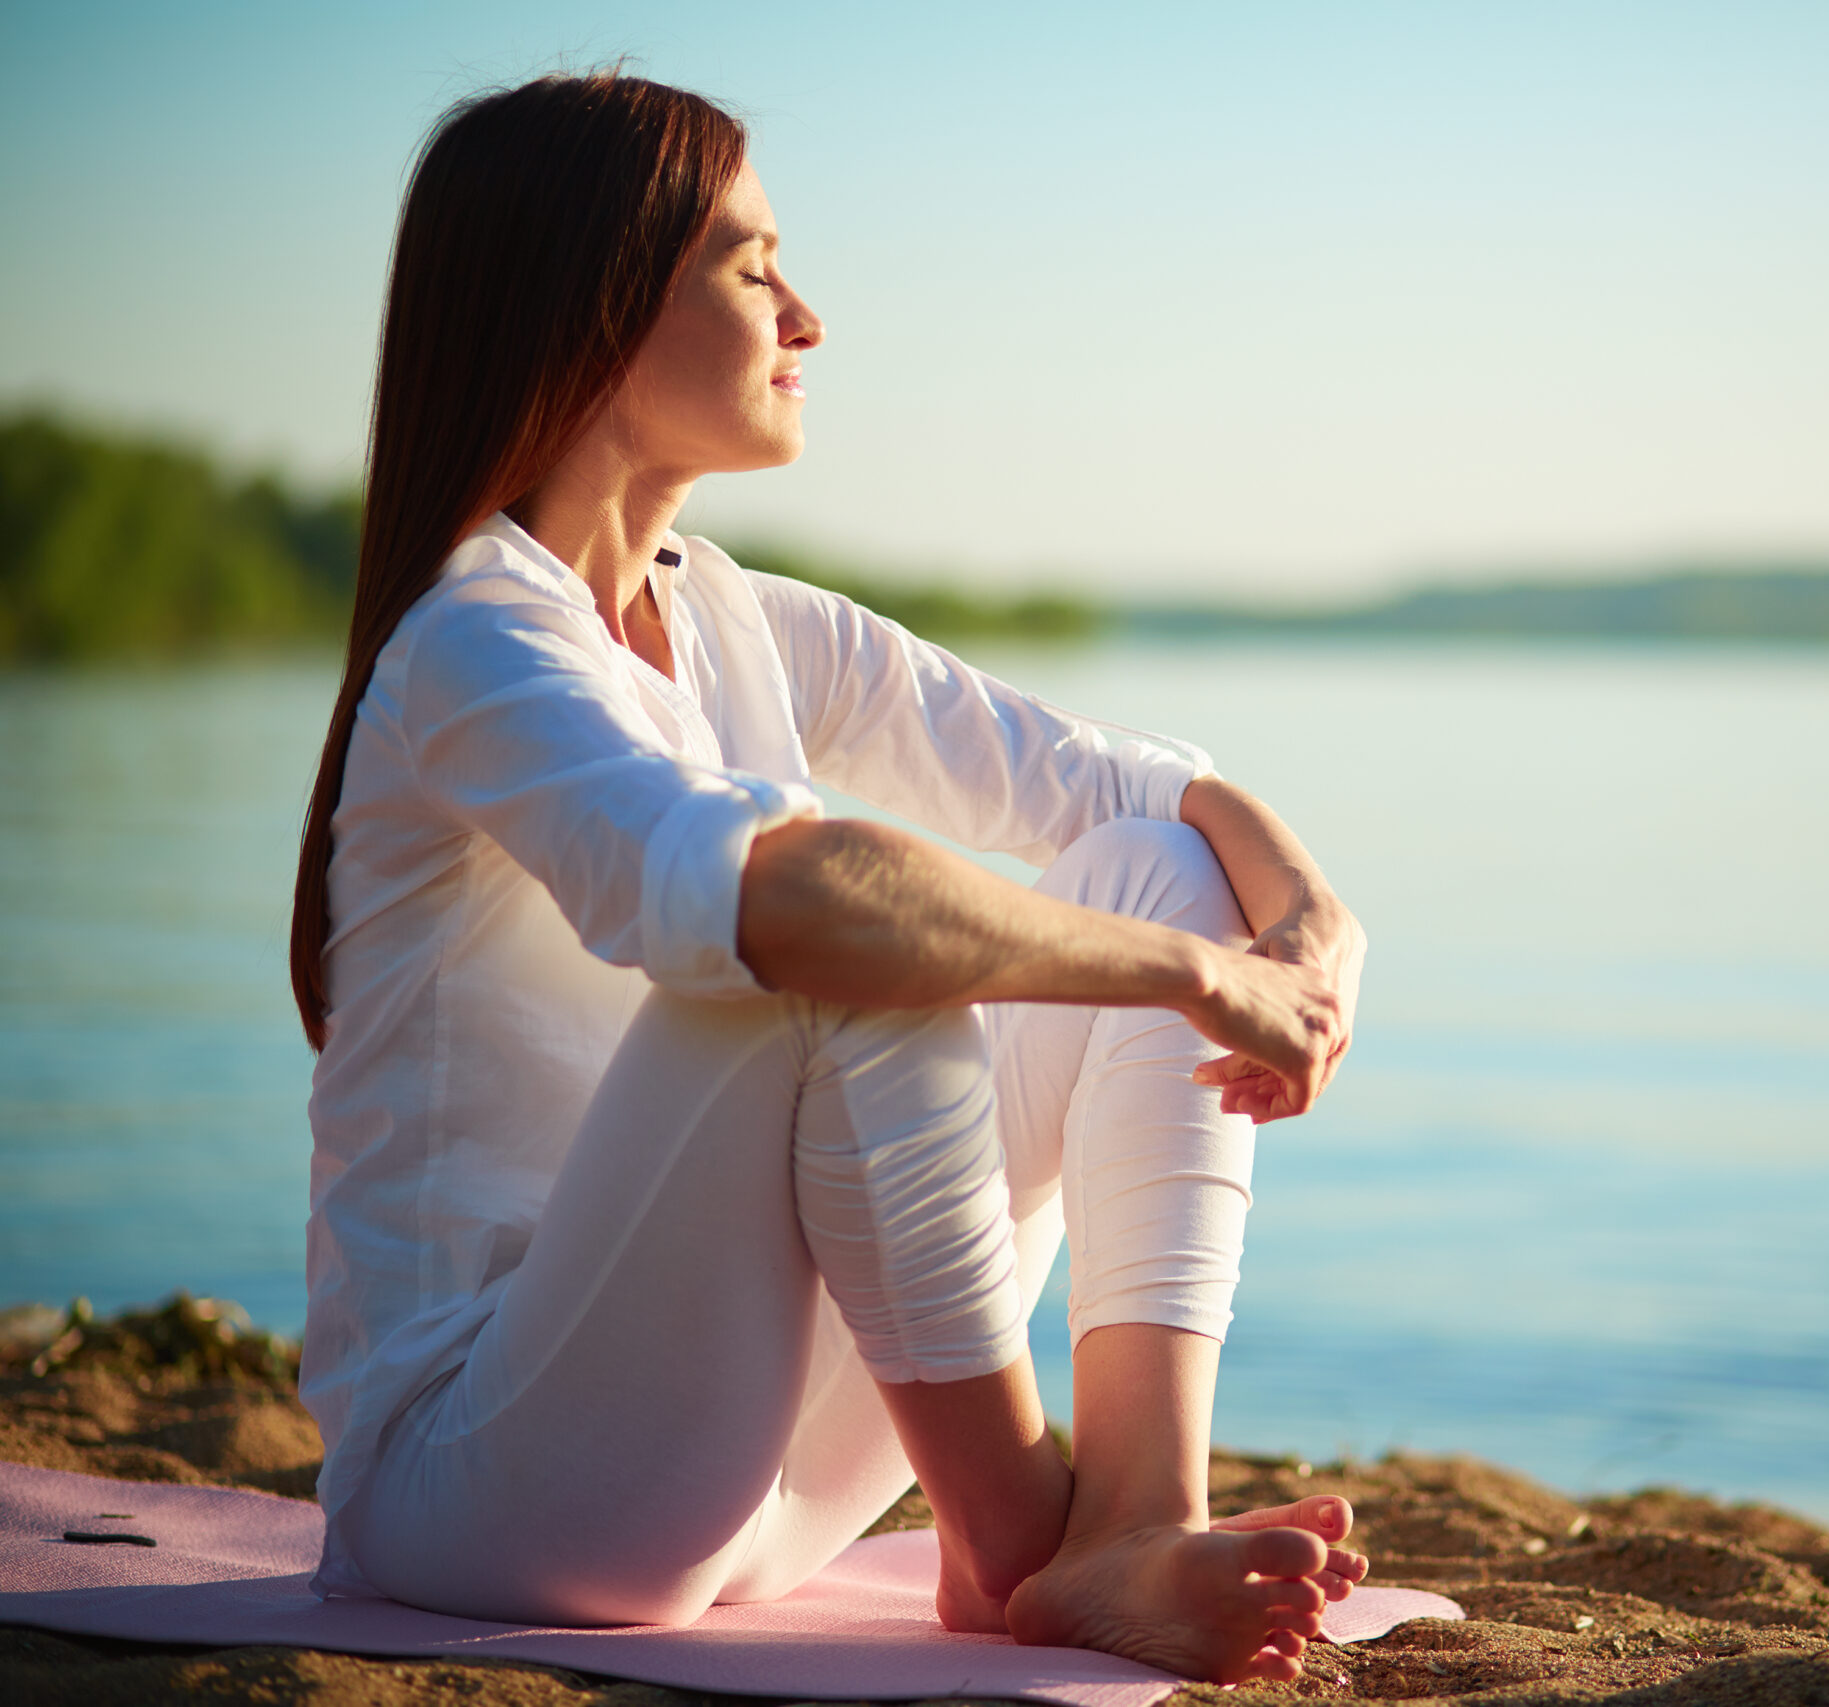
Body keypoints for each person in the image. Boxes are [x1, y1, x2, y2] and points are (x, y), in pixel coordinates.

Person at [286, 73, 1369, 1685]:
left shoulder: (736, 617)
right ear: (590, 310)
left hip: (762, 1483)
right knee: (833, 944)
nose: (806, 314)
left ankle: (1128, 1520)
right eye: (750, 267)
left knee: (1144, 869)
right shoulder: (475, 642)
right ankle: (1014, 1539)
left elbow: (1146, 792)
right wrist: (1196, 979)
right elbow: (784, 898)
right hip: (486, 1488)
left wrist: (1307, 923)